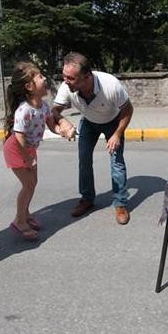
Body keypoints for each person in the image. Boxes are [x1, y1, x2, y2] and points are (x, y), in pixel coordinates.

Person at [52, 52, 134, 225]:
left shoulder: (110, 85)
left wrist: (117, 134)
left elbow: (128, 110)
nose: (66, 81)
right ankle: (87, 199)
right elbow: (54, 111)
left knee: (116, 161)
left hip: (113, 121)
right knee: (84, 160)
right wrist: (63, 122)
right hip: (89, 122)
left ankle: (120, 203)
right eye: (64, 76)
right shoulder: (67, 86)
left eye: (71, 78)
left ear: (87, 76)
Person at [3, 61, 76, 240]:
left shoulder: (43, 106)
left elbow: (52, 126)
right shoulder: (24, 110)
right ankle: (19, 221)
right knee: (28, 185)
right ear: (29, 86)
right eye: (40, 76)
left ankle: (26, 215)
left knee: (32, 183)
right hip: (17, 150)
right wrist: (27, 158)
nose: (44, 79)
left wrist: (63, 131)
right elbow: (19, 137)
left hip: (28, 150)